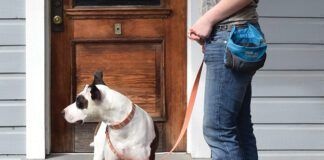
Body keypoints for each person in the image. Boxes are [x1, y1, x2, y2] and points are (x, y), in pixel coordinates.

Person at [188, 0, 264, 159]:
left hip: (229, 34)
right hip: (232, 34)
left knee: (218, 129)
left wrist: (207, 20)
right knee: (238, 126)